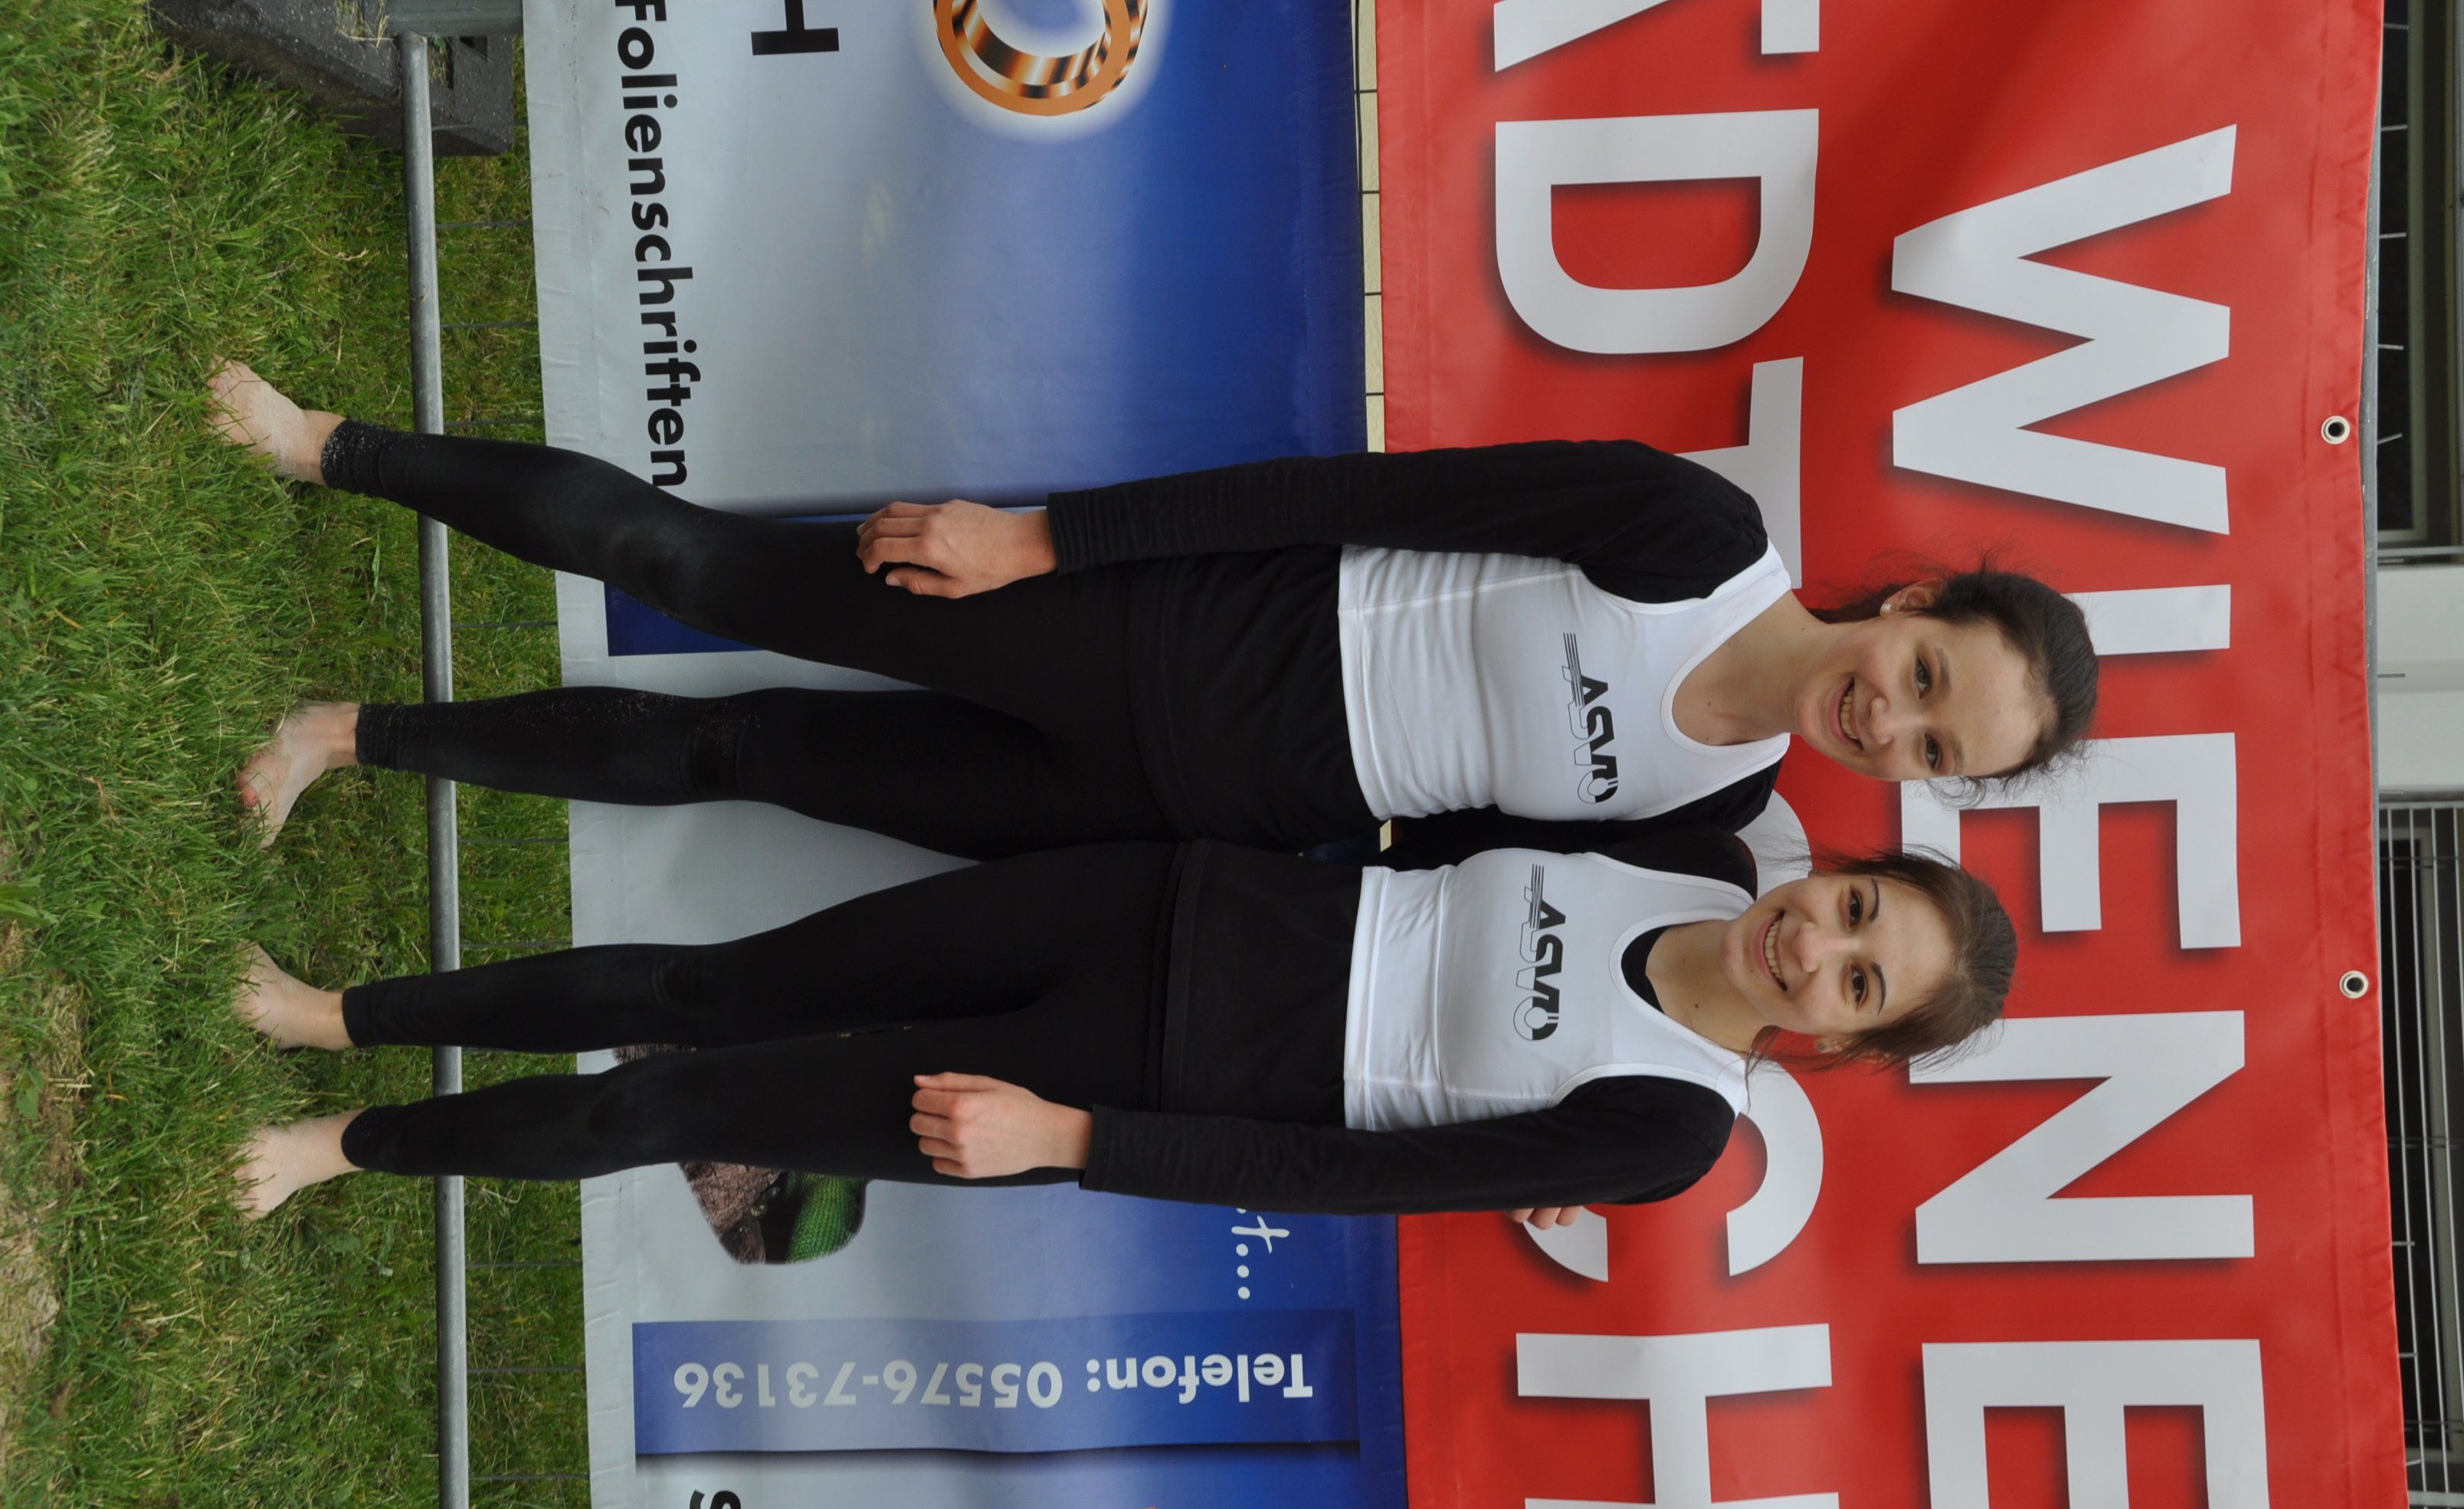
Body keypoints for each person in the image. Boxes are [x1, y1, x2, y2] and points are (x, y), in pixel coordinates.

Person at [208, 365, 2098, 867]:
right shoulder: (1697, 530)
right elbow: (1352, 496)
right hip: (1149, 631)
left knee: (741, 756)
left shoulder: (1717, 813)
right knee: (700, 570)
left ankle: (347, 740)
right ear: (1916, 599)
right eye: (1928, 673)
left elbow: (1463, 873)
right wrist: (1047, 542)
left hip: (1163, 804)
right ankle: (329, 447)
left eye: (1937, 749)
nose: (1891, 720)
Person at [232, 829, 2016, 1222]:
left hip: (1111, 1082)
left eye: (1862, 984)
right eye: (1859, 909)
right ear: (1839, 869)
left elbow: (1340, 1181)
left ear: (1846, 1044)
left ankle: (343, 1149)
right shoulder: (1697, 846)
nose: (1818, 949)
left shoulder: (1673, 1128)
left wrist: (1069, 1142)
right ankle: (339, 1016)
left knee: (680, 1104)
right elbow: (1422, 822)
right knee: (700, 988)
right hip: (1144, 907)